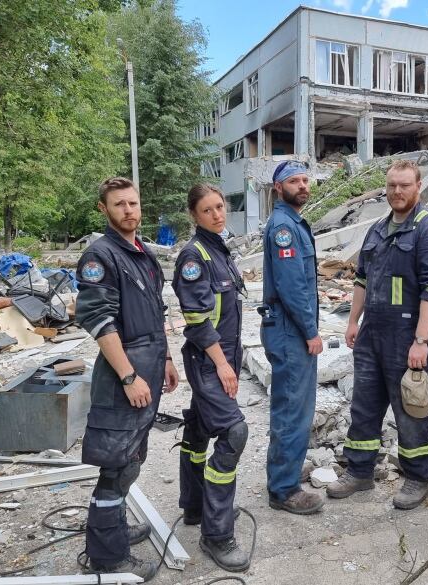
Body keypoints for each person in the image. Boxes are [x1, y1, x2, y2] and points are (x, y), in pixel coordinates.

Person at [326, 159, 428, 510]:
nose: (397, 191)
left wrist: (422, 341)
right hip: (372, 335)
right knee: (363, 407)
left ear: (418, 186)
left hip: (407, 338)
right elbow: (362, 278)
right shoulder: (378, 229)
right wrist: (353, 322)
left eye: (405, 185)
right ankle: (360, 471)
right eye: (392, 185)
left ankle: (417, 477)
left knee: (412, 409)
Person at [76, 177, 179, 581]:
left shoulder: (143, 253)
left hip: (150, 364)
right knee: (116, 465)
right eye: (119, 204)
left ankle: (115, 527)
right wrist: (129, 375)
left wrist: (167, 359)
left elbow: (155, 312)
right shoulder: (100, 255)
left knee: (133, 457)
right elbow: (98, 321)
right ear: (104, 209)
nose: (129, 210)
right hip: (126, 373)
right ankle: (107, 556)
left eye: (133, 203)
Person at [172, 183, 250, 572]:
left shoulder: (219, 249)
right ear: (194, 215)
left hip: (223, 358)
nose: (218, 214)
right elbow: (198, 321)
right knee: (234, 433)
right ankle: (216, 534)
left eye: (220, 207)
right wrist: (221, 364)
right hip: (208, 361)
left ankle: (193, 506)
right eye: (208, 210)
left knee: (200, 428)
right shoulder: (195, 256)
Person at [260, 160, 324, 515]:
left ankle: (284, 471)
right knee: (292, 409)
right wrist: (311, 331)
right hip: (290, 331)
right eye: (293, 181)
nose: (302, 185)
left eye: (304, 180)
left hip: (290, 328)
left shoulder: (293, 223)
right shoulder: (284, 227)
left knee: (295, 406)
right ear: (277, 188)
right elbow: (292, 286)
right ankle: (284, 490)